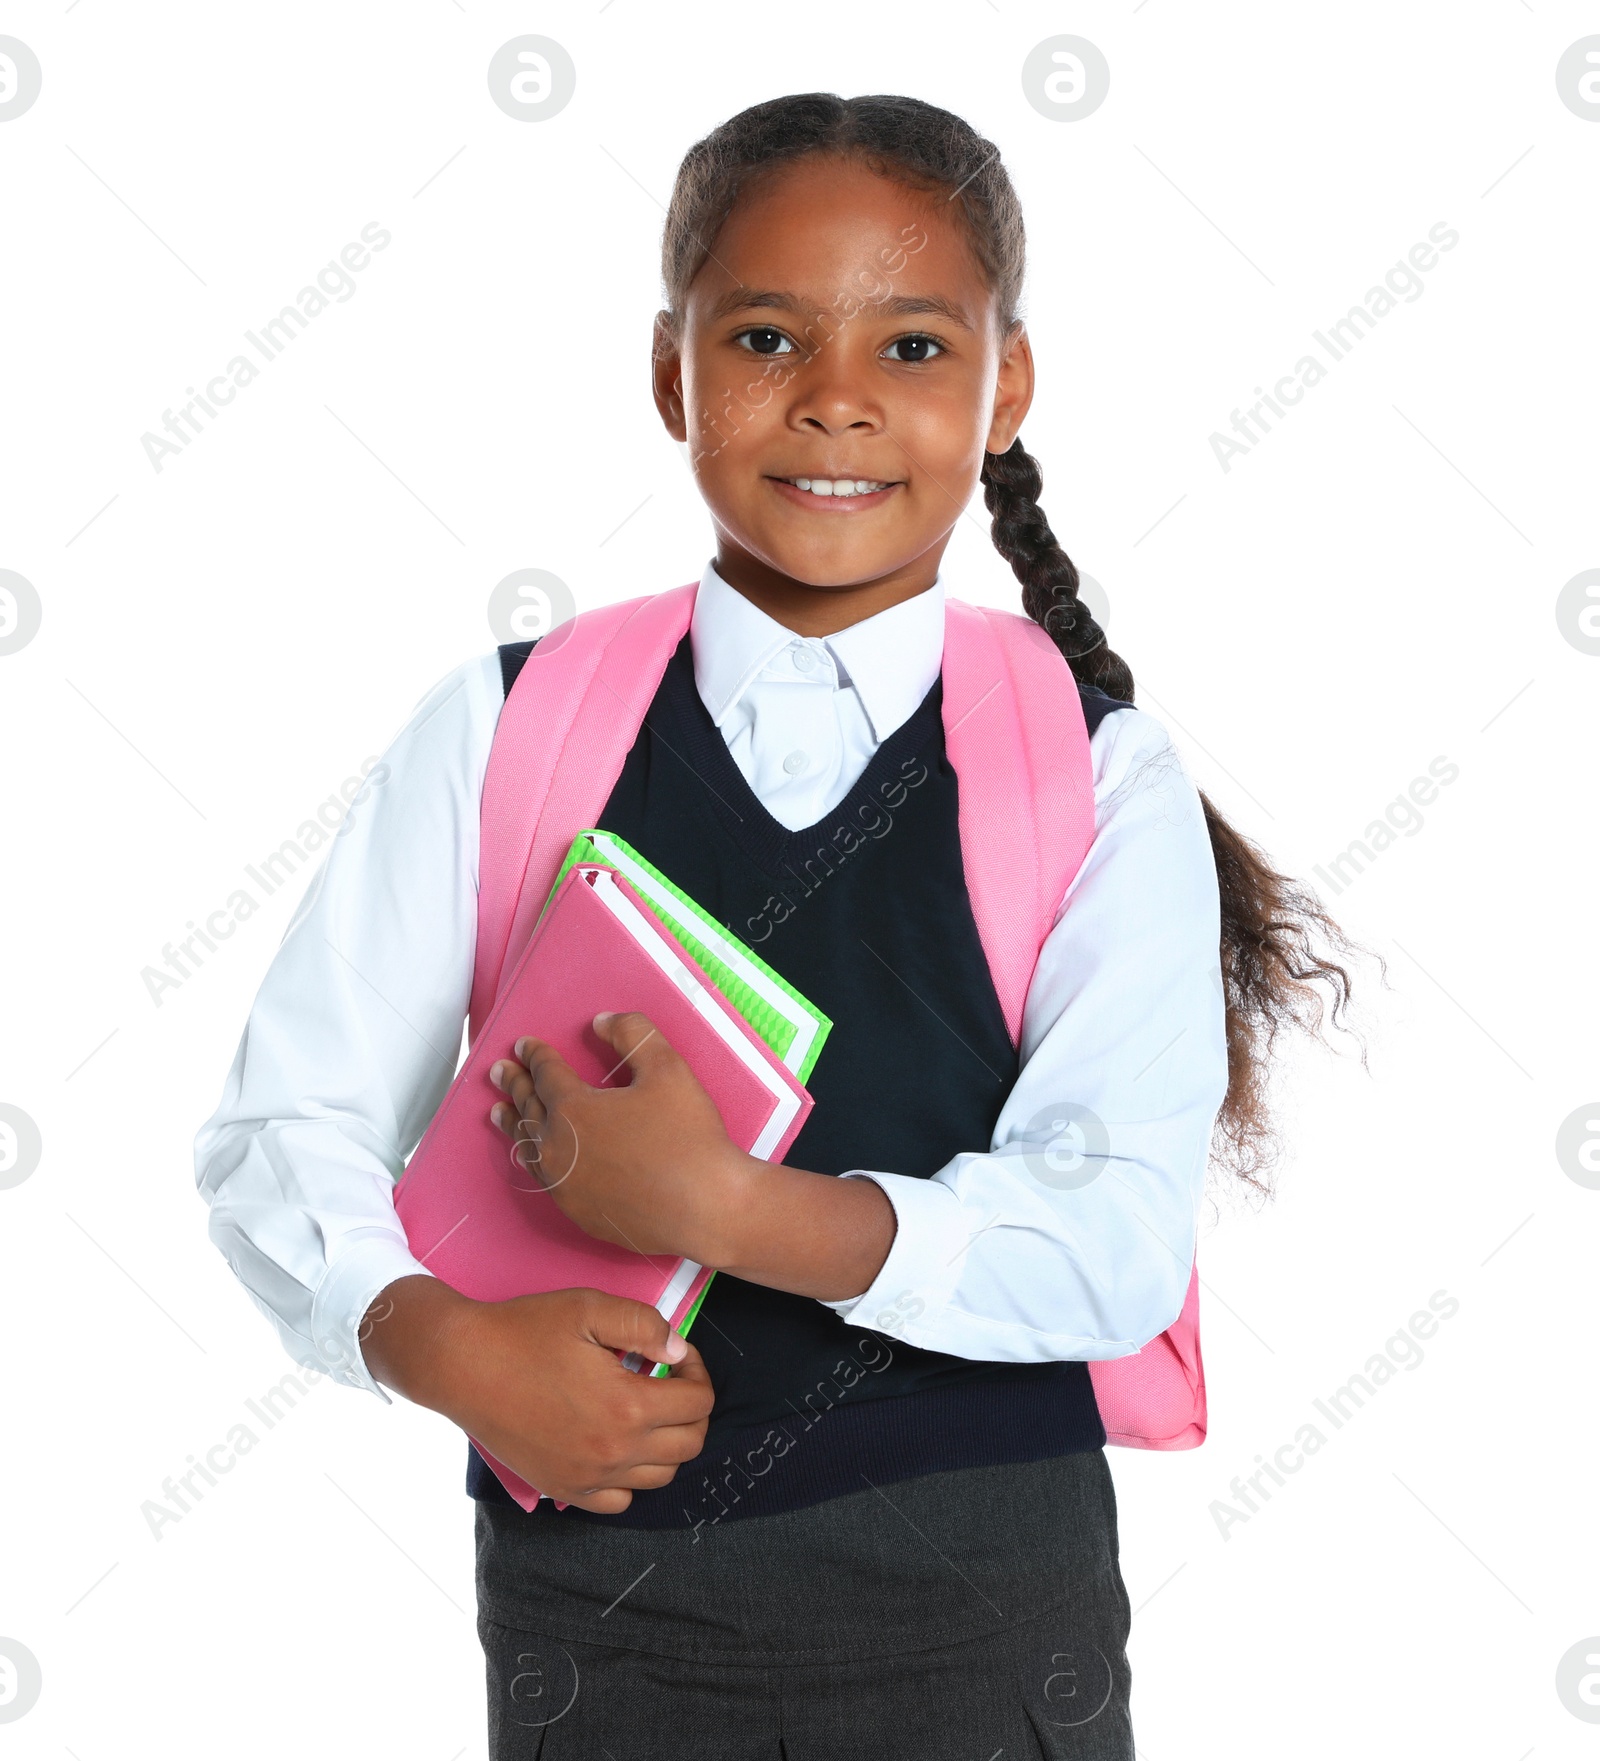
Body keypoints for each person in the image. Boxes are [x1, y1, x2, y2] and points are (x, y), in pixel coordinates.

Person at [195, 92, 1357, 1758]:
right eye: (762, 336)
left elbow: (1111, 1240)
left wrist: (726, 1205)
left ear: (1004, 383)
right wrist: (437, 1340)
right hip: (602, 1632)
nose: (833, 400)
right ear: (669, 370)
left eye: (910, 346)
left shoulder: (1095, 774)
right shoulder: (506, 728)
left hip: (987, 1628)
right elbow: (280, 1128)